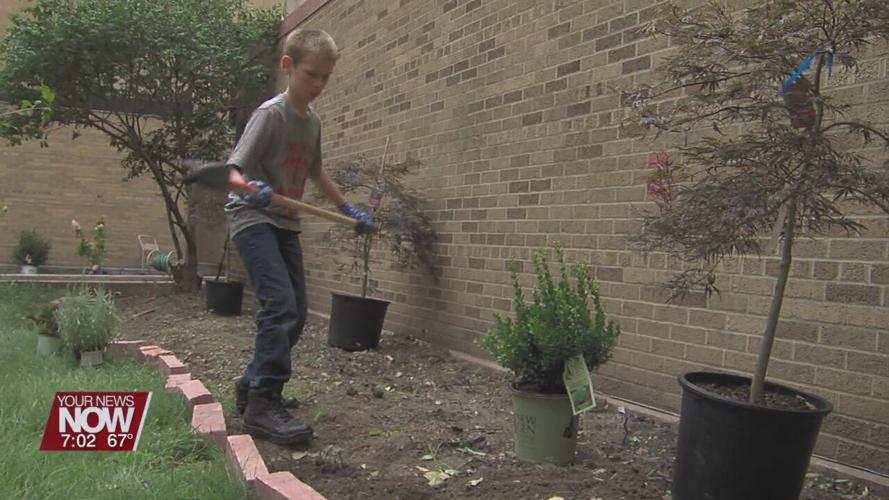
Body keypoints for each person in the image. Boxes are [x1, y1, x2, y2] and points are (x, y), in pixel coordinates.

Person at [225, 28, 374, 445]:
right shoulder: (270, 115)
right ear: (288, 66)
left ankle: (253, 383)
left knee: (298, 313)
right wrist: (252, 190)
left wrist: (347, 209)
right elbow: (232, 173)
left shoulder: (313, 122)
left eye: (326, 77)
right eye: (311, 75)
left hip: (286, 223)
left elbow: (314, 170)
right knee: (280, 306)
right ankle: (262, 405)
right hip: (252, 218)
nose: (318, 85)